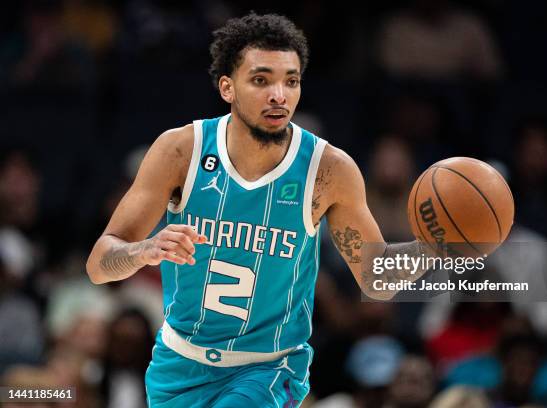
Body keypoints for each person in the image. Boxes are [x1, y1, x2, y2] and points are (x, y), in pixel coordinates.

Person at [86, 12, 430, 407]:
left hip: (268, 368)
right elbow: (99, 264)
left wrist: (441, 247)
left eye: (291, 81)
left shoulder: (328, 170)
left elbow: (375, 277)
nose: (279, 95)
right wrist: (142, 250)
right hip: (178, 363)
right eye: (262, 80)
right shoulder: (181, 150)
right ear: (227, 87)